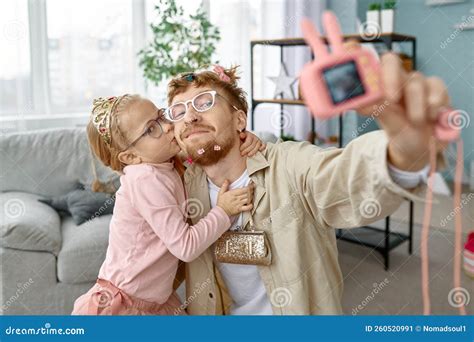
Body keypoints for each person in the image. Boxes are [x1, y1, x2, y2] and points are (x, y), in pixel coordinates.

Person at [165, 51, 449, 315]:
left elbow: (341, 177)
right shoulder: (179, 188)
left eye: (205, 102)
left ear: (240, 120)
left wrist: (401, 155)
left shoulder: (289, 165)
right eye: (178, 111)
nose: (190, 116)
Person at [72, 94, 264, 315]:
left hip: (155, 302)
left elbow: (207, 149)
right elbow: (186, 246)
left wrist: (242, 139)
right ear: (131, 157)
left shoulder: (165, 159)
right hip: (126, 306)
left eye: (161, 116)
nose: (168, 127)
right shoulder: (145, 179)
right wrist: (223, 211)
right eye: (151, 129)